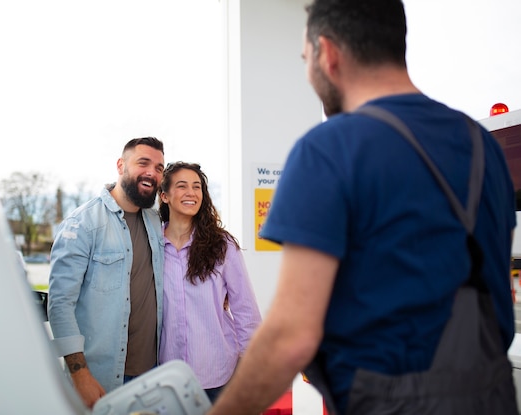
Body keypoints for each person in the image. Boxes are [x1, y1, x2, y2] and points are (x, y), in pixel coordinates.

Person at [208, 1, 517, 414]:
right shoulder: (484, 146)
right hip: (490, 398)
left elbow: (289, 337)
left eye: (306, 59)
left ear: (328, 53)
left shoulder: (330, 147)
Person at [47, 136, 165, 409]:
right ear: (121, 165)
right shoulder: (83, 223)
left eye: (159, 167)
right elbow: (60, 304)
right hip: (101, 379)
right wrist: (80, 375)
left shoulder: (157, 222)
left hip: (152, 374)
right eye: (143, 163)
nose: (152, 172)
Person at [157, 161, 262, 403]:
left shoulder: (222, 245)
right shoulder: (152, 245)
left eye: (197, 187)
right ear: (164, 196)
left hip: (218, 374)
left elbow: (245, 308)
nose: (191, 193)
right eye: (182, 186)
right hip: (168, 374)